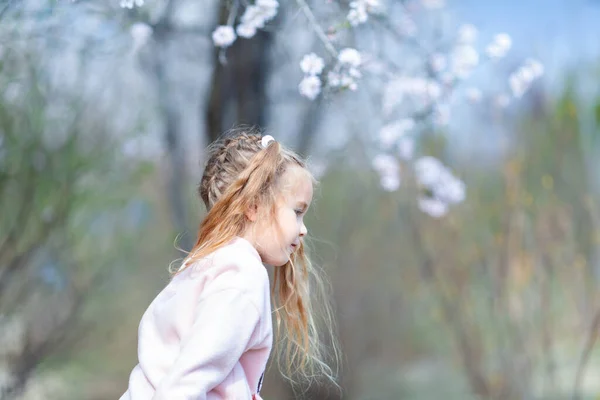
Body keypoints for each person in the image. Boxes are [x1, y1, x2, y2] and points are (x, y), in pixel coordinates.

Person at [120, 127, 338, 400]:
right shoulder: (242, 278)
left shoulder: (209, 262)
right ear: (253, 206)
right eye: (297, 212)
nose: (303, 229)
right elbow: (186, 383)